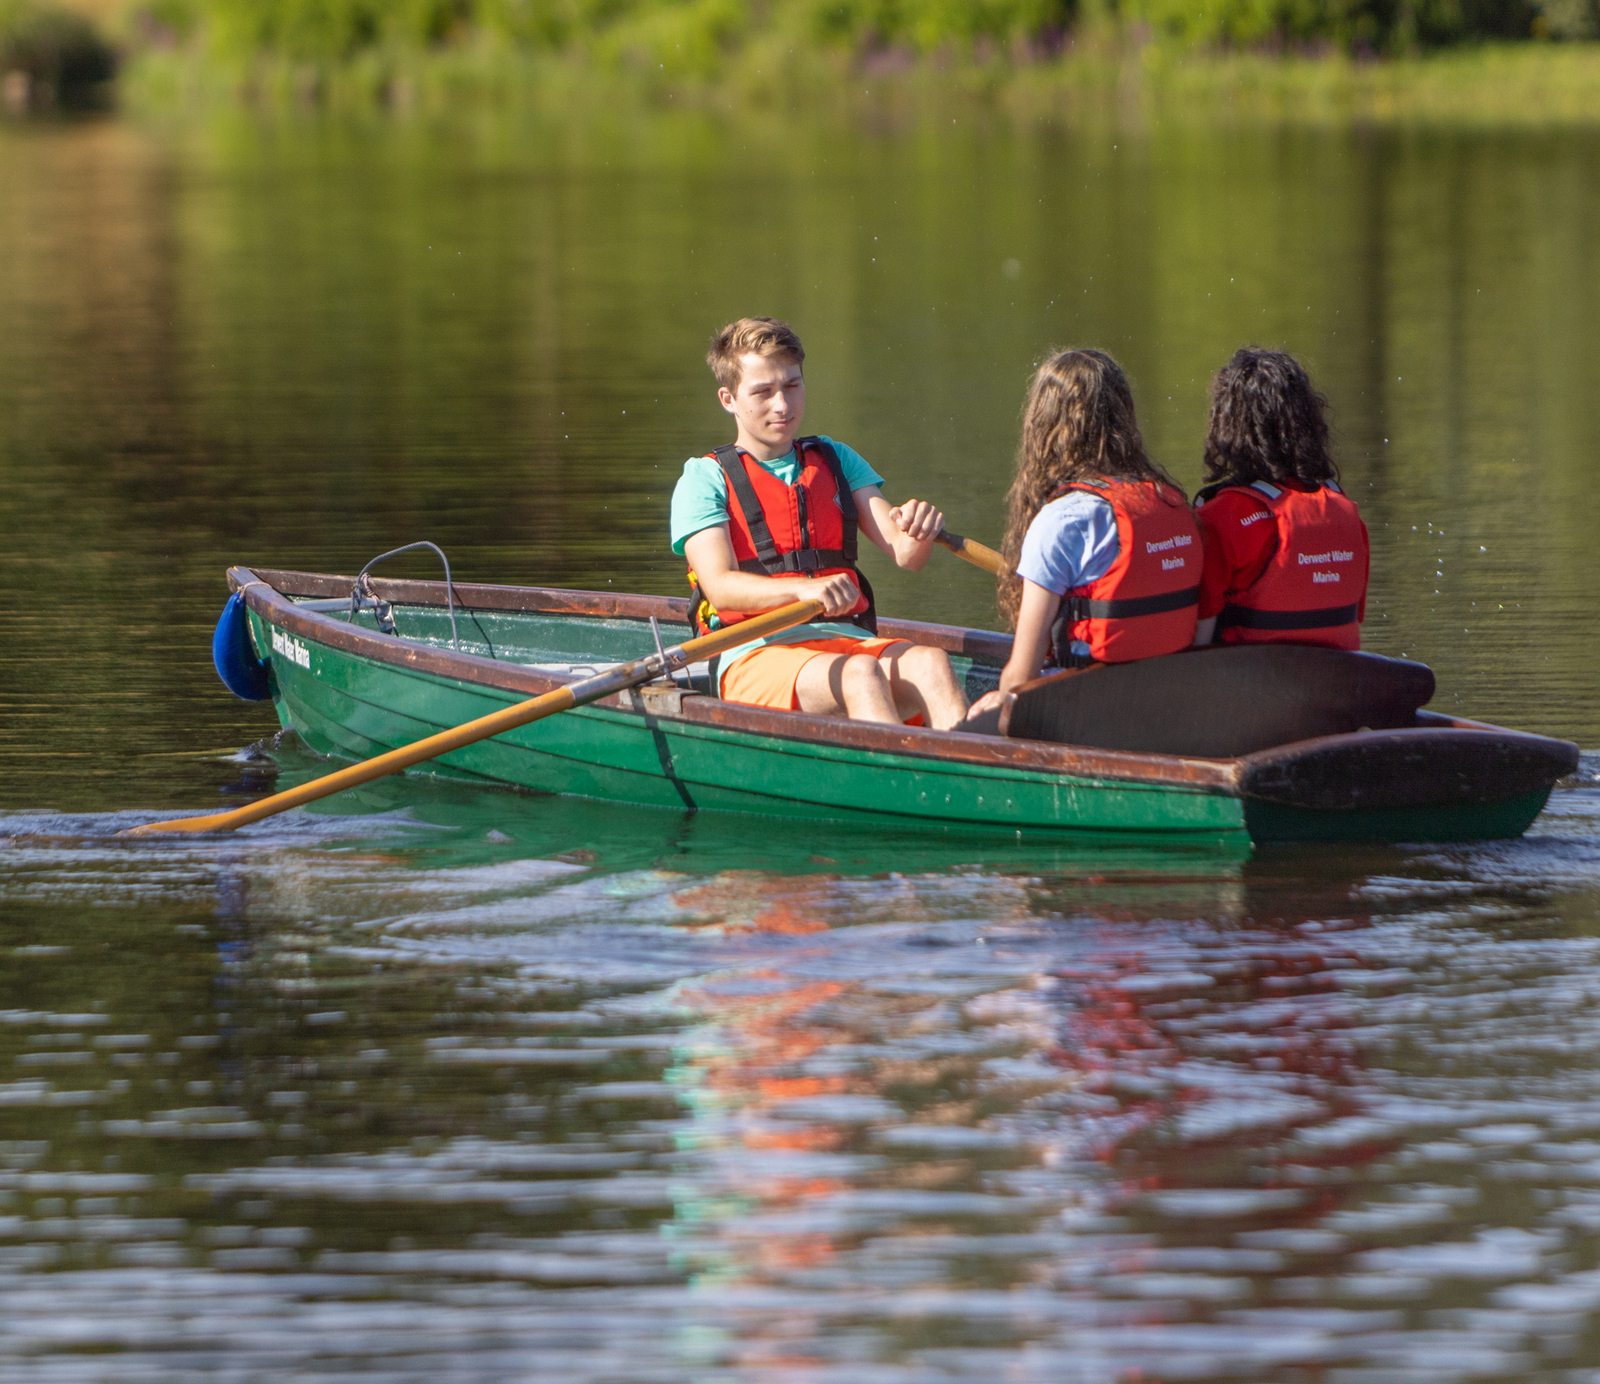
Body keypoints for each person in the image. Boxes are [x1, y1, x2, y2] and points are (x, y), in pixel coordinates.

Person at [671, 317, 969, 729]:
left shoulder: (835, 458)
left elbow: (907, 554)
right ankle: (895, 787)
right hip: (752, 652)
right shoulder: (703, 479)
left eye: (792, 386)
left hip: (847, 639)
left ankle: (966, 783)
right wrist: (803, 588)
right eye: (763, 392)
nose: (783, 405)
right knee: (860, 676)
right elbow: (720, 589)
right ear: (728, 399)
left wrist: (919, 527)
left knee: (931, 662)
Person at [968, 348, 1201, 717]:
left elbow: (1020, 678)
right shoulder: (1172, 504)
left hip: (1085, 711)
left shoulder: (1063, 520)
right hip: (1169, 704)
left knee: (978, 711)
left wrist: (999, 701)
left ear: (1044, 426)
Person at [1192, 348, 1370, 650]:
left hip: (1251, 685)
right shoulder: (1346, 512)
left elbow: (1199, 639)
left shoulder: (1221, 517)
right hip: (1338, 685)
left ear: (1228, 425)